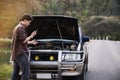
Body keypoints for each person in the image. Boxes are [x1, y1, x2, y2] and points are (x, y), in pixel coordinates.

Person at [11, 14, 38, 80]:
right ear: (25, 20)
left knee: (15, 74)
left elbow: (20, 41)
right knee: (26, 73)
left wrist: (31, 42)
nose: (29, 24)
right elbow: (24, 40)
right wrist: (32, 36)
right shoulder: (21, 28)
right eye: (29, 22)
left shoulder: (16, 27)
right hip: (21, 54)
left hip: (16, 54)